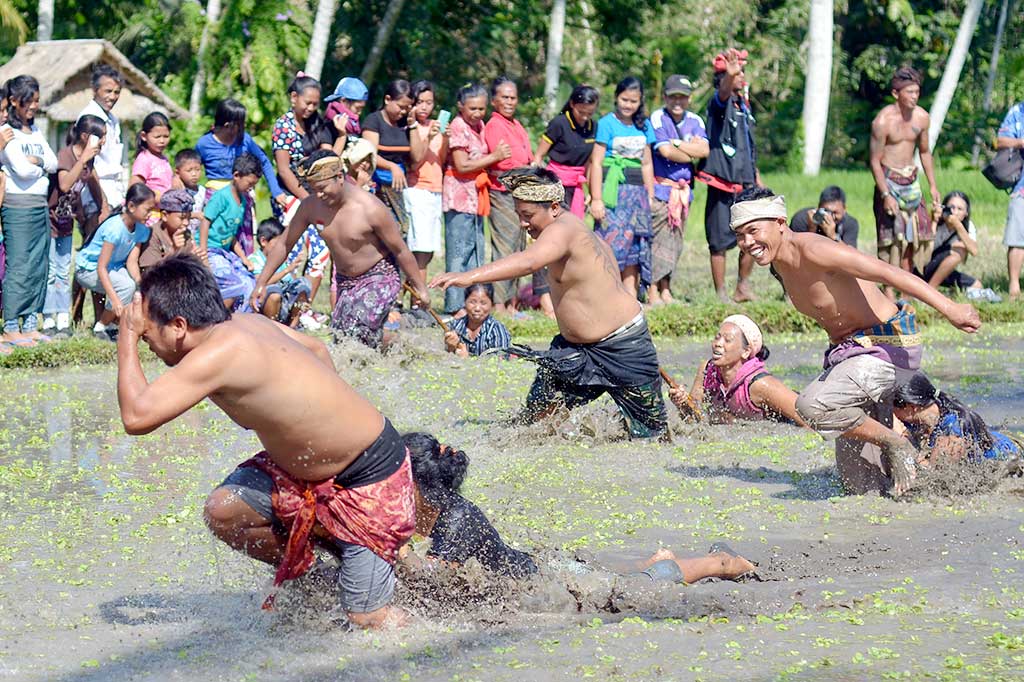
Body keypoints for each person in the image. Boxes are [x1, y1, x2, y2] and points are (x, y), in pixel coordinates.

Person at [117, 254, 416, 628]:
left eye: (148, 334)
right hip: (305, 474)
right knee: (225, 510)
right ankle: (315, 577)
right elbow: (318, 350)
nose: (146, 342)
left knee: (366, 617)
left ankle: (367, 552)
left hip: (368, 479)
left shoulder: (218, 354)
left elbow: (136, 417)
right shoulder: (246, 321)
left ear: (178, 326)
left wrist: (125, 337)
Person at [728, 187, 981, 497]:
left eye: (753, 230)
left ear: (780, 221)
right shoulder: (779, 264)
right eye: (740, 235)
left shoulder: (815, 249)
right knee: (861, 489)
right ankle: (927, 470)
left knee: (811, 406)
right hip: (851, 357)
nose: (747, 242)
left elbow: (890, 273)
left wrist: (950, 309)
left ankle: (897, 442)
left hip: (888, 347)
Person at [431, 167, 668, 439]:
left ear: (554, 207)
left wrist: (467, 276)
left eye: (528, 215)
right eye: (520, 215)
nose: (522, 223)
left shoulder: (563, 229)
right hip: (575, 349)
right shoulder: (568, 229)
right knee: (533, 424)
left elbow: (529, 261)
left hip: (624, 347)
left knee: (652, 436)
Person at [400, 432, 757, 584]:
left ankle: (721, 563)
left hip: (545, 580)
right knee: (612, 576)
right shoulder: (426, 507)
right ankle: (655, 557)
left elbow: (433, 578)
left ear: (419, 484)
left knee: (638, 587)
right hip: (543, 566)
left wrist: (395, 551)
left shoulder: (457, 520)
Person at [253, 151, 430, 349]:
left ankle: (400, 343)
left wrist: (420, 288)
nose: (318, 195)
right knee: (342, 337)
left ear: (339, 177)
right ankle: (396, 344)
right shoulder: (310, 206)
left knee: (357, 329)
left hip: (380, 275)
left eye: (322, 188)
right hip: (345, 281)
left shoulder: (371, 208)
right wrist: (261, 283)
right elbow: (284, 244)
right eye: (313, 189)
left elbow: (401, 251)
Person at [533, 85, 600, 319]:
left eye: (589, 113)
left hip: (577, 186)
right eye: (582, 112)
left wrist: (592, 191)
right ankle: (544, 296)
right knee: (548, 240)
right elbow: (539, 157)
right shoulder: (560, 123)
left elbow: (591, 163)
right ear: (572, 105)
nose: (585, 117)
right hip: (555, 185)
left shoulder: (593, 126)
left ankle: (569, 293)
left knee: (573, 242)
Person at [442, 83, 510, 314]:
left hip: (476, 197)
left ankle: (474, 302)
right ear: (460, 106)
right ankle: (453, 306)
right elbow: (461, 165)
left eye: (481, 108)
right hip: (459, 196)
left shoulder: (478, 125)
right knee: (458, 253)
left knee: (475, 253)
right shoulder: (458, 126)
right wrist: (495, 157)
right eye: (472, 108)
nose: (477, 113)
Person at [0, 75, 58, 347]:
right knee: (20, 266)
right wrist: (40, 166)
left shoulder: (35, 132)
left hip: (39, 208)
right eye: (29, 101)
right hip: (18, 208)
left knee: (39, 265)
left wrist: (38, 162)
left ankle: (31, 323)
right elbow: (22, 172)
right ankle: (11, 324)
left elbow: (55, 162)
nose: (34, 106)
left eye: (37, 100)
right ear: (13, 101)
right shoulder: (7, 133)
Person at [869, 66, 940, 287]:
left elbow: (925, 152)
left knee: (915, 238)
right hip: (889, 181)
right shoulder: (882, 122)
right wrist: (886, 194)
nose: (914, 97)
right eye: (909, 92)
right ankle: (889, 292)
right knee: (892, 241)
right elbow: (874, 161)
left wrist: (933, 186)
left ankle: (908, 291)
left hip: (912, 181)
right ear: (895, 94)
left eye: (917, 92)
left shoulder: (922, 118)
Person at [699, 48, 760, 303]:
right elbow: (722, 95)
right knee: (719, 242)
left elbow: (747, 148)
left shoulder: (743, 106)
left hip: (745, 183)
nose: (741, 76)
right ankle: (721, 294)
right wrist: (729, 78)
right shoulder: (718, 104)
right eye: (735, 73)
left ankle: (742, 287)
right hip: (722, 184)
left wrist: (756, 175)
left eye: (741, 72)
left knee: (753, 234)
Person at [271, 75, 338, 304]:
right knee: (293, 251)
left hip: (316, 197)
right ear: (293, 98)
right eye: (306, 103)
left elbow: (327, 158)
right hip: (291, 197)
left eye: (315, 104)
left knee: (320, 252)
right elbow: (284, 170)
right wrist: (307, 199)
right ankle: (281, 305)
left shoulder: (317, 124)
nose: (310, 108)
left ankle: (303, 307)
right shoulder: (283, 126)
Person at [588, 76, 656, 299]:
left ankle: (630, 296)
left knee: (635, 246)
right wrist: (596, 199)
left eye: (633, 101)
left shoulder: (643, 125)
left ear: (640, 102)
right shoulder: (607, 123)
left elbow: (646, 164)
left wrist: (651, 196)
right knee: (610, 243)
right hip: (613, 194)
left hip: (637, 196)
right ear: (617, 98)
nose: (628, 105)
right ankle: (606, 295)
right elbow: (596, 162)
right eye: (624, 99)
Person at [667, 315, 803, 424]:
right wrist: (683, 403)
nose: (717, 344)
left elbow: (809, 421)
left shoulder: (760, 385)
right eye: (717, 337)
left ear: (746, 351)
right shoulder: (707, 370)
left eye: (727, 340)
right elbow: (694, 420)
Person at [195, 99, 287, 255]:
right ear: (227, 126)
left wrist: (276, 190)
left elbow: (264, 161)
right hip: (216, 199)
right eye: (240, 124)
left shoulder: (245, 140)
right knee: (219, 238)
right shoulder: (204, 144)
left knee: (244, 240)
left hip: (241, 198)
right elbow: (191, 166)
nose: (243, 128)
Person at [45, 115, 106, 339]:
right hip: (50, 220)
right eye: (100, 137)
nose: (103, 142)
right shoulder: (66, 155)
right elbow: (64, 184)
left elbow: (83, 188)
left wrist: (97, 208)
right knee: (52, 271)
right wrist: (82, 161)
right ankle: (49, 318)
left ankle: (62, 318)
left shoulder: (90, 160)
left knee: (63, 269)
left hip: (66, 221)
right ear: (84, 137)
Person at [649, 74, 708, 304]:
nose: (677, 101)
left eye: (682, 97)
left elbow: (704, 151)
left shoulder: (695, 120)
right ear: (665, 97)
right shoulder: (658, 118)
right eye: (673, 96)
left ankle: (666, 288)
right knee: (657, 241)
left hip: (684, 192)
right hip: (662, 189)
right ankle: (652, 288)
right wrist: (687, 149)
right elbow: (665, 151)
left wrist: (678, 144)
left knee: (675, 241)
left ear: (689, 98)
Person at [75, 183, 155, 341]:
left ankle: (112, 326)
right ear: (131, 206)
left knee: (132, 286)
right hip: (89, 270)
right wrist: (116, 300)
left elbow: (132, 262)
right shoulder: (114, 229)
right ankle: (101, 327)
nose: (150, 215)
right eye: (147, 210)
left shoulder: (141, 229)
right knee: (126, 287)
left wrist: (140, 283)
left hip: (113, 268)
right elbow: (101, 267)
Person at [483, 76, 533, 314]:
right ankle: (500, 304)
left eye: (513, 97)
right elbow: (503, 162)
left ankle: (513, 302)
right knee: (505, 246)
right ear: (494, 101)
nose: (510, 101)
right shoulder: (495, 125)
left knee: (518, 246)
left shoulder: (516, 124)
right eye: (505, 97)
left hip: (519, 192)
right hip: (502, 192)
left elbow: (526, 156)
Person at [894, 372, 1021, 463]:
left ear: (911, 407)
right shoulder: (918, 418)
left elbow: (936, 473)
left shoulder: (953, 428)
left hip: (1007, 455)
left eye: (891, 406)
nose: (890, 412)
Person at [197, 153, 261, 311]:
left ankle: (242, 323)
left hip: (224, 252)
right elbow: (205, 222)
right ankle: (217, 318)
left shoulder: (244, 201)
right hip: (210, 250)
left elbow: (230, 234)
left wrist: (244, 258)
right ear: (236, 175)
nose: (250, 188)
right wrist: (203, 254)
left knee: (249, 283)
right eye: (249, 183)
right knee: (234, 283)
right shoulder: (221, 197)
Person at [362, 80, 424, 238]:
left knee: (400, 229)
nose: (403, 111)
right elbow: (369, 154)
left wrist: (413, 125)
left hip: (397, 187)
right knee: (382, 231)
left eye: (407, 108)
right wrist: (392, 166)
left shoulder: (405, 125)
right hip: (377, 185)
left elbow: (417, 157)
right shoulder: (374, 121)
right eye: (400, 106)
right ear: (387, 99)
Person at [404, 80, 448, 293]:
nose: (424, 107)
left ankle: (417, 297)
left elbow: (443, 159)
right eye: (420, 102)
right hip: (417, 189)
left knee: (428, 251)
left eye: (429, 102)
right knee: (418, 250)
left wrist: (445, 137)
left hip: (435, 191)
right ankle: (415, 299)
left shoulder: (436, 126)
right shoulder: (411, 127)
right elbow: (415, 162)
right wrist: (428, 138)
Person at [917, 191, 1000, 302]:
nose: (955, 212)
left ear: (966, 213)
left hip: (942, 270)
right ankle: (930, 293)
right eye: (951, 207)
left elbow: (974, 251)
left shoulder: (967, 226)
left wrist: (957, 225)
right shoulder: (937, 223)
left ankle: (948, 293)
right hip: (924, 266)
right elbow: (926, 252)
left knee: (977, 285)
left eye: (960, 209)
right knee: (959, 252)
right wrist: (934, 221)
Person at [77, 63, 126, 211]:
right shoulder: (90, 119)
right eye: (108, 91)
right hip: (95, 191)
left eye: (117, 92)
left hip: (113, 189)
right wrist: (102, 202)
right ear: (95, 90)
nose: (112, 97)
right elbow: (87, 163)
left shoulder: (112, 119)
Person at [249, 217, 311, 327]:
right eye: (277, 243)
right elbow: (261, 283)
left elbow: (291, 282)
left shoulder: (280, 259)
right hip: (265, 302)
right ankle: (272, 327)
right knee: (274, 293)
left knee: (303, 284)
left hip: (284, 302)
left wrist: (302, 298)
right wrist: (288, 269)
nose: (280, 247)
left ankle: (292, 327)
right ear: (264, 241)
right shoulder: (255, 260)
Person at [138, 189, 205, 274]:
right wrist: (174, 250)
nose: (186, 223)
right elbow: (150, 274)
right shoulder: (151, 235)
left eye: (188, 218)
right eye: (182, 218)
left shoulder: (186, 233)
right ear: (165, 215)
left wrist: (197, 259)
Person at [996, 100, 1024, 301]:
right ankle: (1014, 284)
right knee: (1017, 237)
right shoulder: (1017, 111)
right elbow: (1000, 141)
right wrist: (1021, 142)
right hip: (1022, 185)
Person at [443, 283, 511, 358]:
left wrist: (467, 359)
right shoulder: (454, 326)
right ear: (464, 303)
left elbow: (500, 362)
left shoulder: (497, 331)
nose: (477, 308)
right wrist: (451, 348)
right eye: (472, 302)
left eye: (483, 303)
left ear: (492, 305)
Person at [788, 185, 860, 249]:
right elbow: (795, 251)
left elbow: (852, 257)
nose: (830, 217)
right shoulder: (802, 219)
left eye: (835, 212)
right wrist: (812, 228)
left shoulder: (850, 224)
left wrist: (833, 236)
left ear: (844, 209)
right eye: (826, 211)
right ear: (819, 207)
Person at [128, 112, 173, 198]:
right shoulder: (144, 159)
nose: (162, 141)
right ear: (144, 136)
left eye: (166, 136)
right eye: (157, 137)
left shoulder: (163, 158)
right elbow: (135, 189)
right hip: (150, 209)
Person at [172, 148, 205, 236]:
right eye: (189, 171)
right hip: (179, 235)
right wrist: (195, 215)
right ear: (177, 173)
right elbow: (175, 214)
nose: (194, 174)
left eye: (197, 170)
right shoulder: (176, 192)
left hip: (196, 235)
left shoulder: (202, 190)